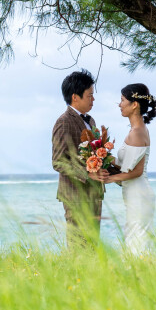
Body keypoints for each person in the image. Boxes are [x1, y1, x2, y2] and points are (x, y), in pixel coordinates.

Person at [51, 68, 105, 244]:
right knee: (78, 245)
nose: (93, 99)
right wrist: (88, 173)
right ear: (75, 97)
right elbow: (58, 161)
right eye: (89, 95)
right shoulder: (64, 122)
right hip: (75, 194)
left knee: (93, 244)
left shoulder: (90, 121)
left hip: (94, 192)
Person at [106, 83, 156, 254]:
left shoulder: (137, 132)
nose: (119, 105)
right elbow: (126, 165)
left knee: (138, 243)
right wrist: (103, 157)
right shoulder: (137, 130)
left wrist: (108, 179)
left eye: (122, 100)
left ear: (134, 104)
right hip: (134, 193)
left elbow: (136, 171)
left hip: (138, 194)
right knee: (134, 239)